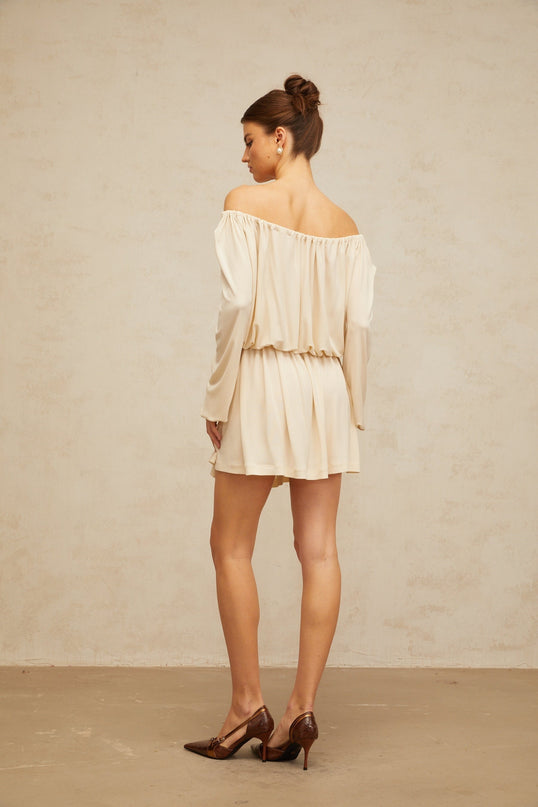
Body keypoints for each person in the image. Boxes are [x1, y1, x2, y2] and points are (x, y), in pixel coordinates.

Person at [184, 75, 376, 770]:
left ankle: (246, 706)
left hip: (263, 378)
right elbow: (358, 326)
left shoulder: (245, 203)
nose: (243, 157)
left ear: (280, 138)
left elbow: (237, 310)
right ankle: (299, 709)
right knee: (319, 549)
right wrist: (349, 405)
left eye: (248, 141)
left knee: (231, 547)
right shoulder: (347, 226)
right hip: (326, 386)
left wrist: (217, 397)